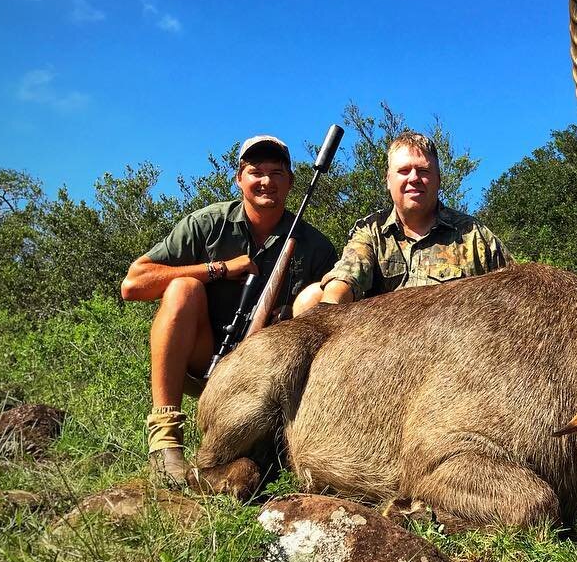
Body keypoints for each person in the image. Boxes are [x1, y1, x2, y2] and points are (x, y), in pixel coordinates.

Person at [121, 135, 336, 482]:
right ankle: (165, 437)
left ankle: (292, 436)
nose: (266, 181)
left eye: (277, 173)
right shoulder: (207, 224)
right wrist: (218, 269)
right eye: (256, 172)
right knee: (183, 289)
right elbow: (133, 284)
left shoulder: (315, 246)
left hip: (268, 372)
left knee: (317, 298)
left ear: (291, 182)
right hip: (206, 361)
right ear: (239, 178)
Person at [320, 130, 510, 303]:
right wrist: (328, 309)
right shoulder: (371, 231)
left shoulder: (474, 235)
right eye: (404, 171)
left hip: (455, 339)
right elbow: (345, 278)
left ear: (439, 180)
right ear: (388, 180)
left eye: (423, 171)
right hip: (383, 339)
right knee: (312, 296)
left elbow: (514, 289)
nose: (413, 178)